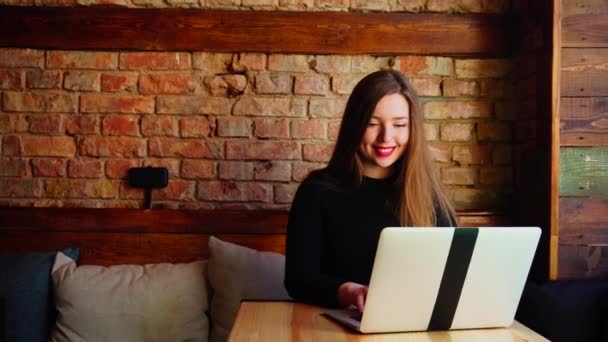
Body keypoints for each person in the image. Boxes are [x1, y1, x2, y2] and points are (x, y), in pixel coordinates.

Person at [284, 69, 457, 313]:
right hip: (337, 324)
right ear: (355, 125)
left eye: (399, 124)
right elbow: (297, 280)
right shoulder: (316, 192)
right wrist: (348, 291)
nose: (386, 137)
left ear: (413, 128)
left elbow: (453, 275)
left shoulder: (431, 194)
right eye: (373, 124)